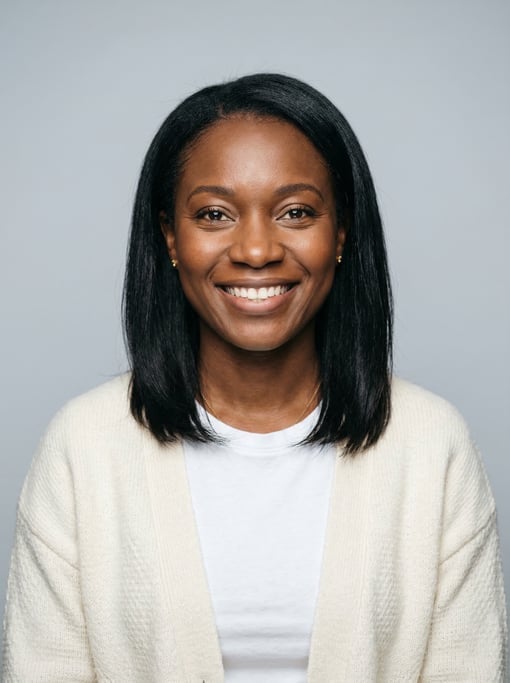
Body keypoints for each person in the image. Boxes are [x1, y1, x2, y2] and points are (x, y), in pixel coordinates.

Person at [2, 73, 507, 682]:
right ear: (169, 235)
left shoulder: (431, 444)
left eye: (296, 211)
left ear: (342, 231)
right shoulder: (83, 446)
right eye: (214, 214)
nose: (257, 249)